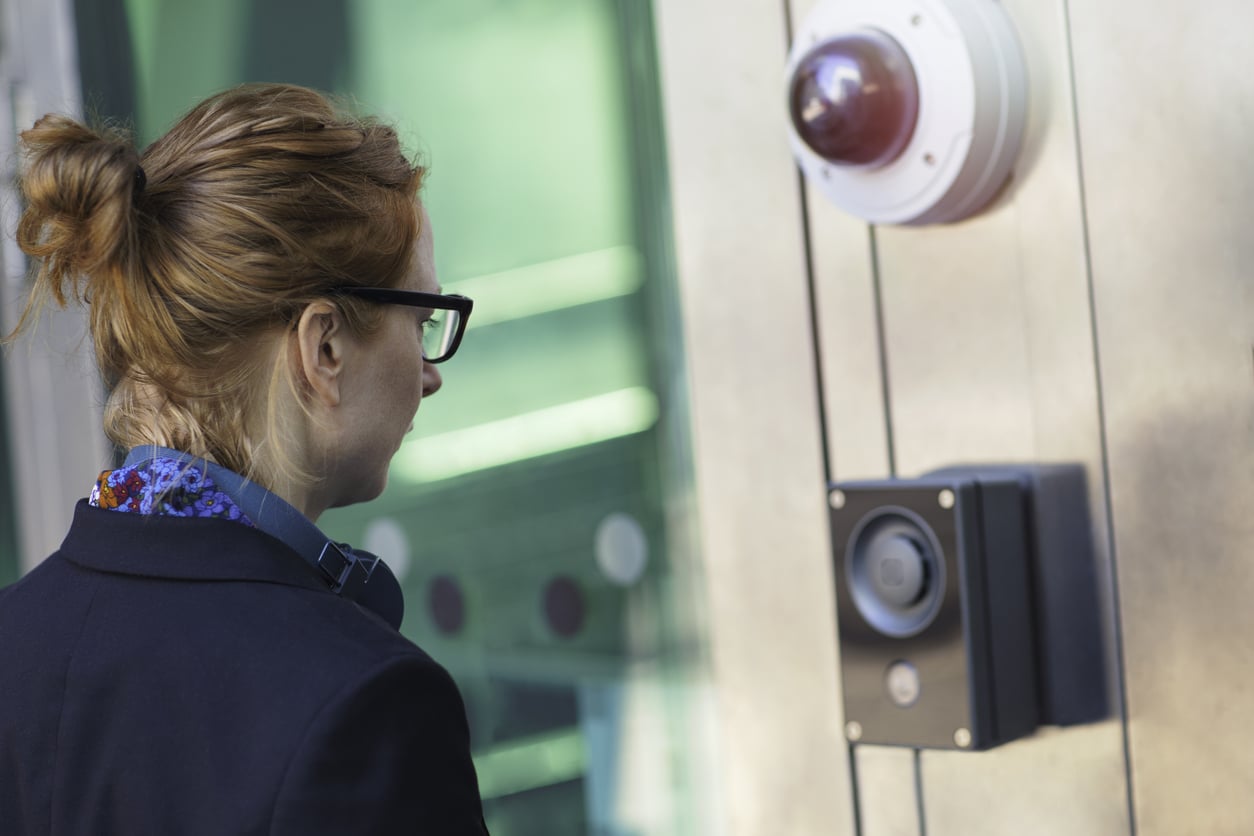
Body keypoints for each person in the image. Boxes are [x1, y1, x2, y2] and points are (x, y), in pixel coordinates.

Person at [0, 83, 488, 834]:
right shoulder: (364, 705)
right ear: (323, 346)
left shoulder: (15, 643)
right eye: (421, 321)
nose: (431, 372)